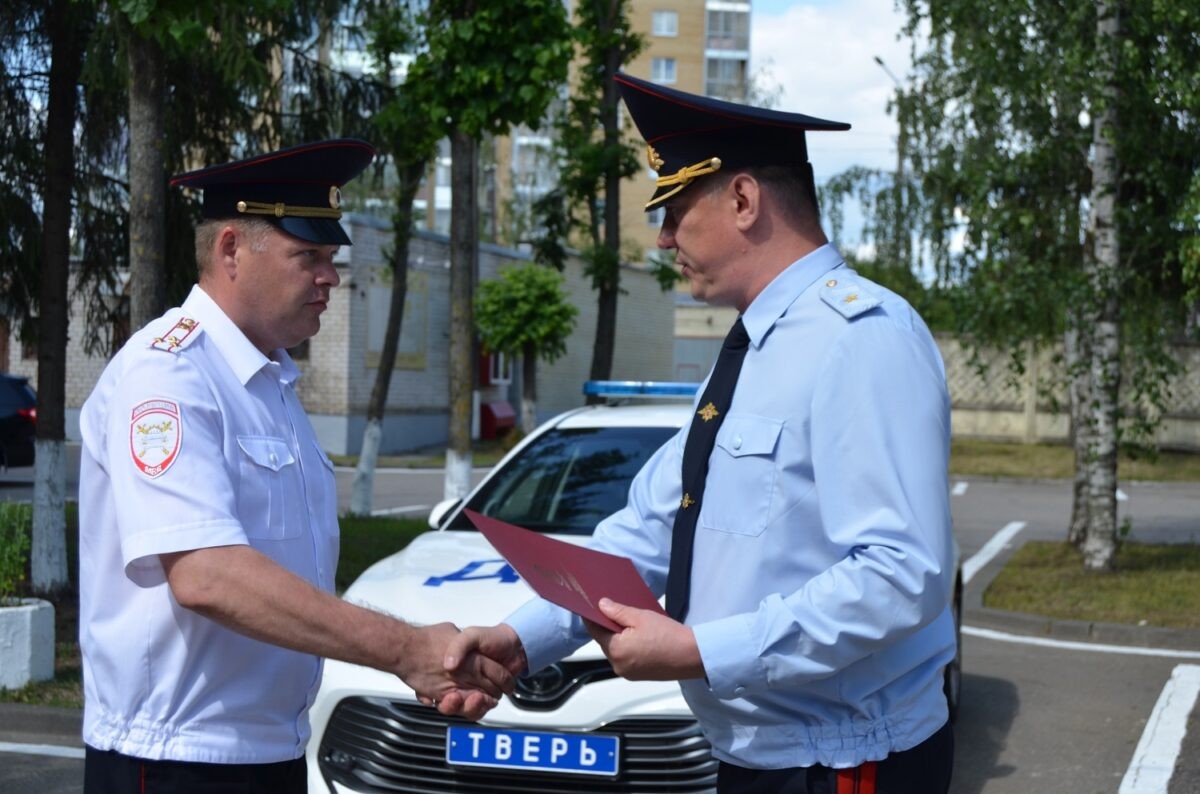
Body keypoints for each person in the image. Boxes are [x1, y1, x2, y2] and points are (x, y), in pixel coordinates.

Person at [442, 74, 957, 793]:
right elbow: (652, 531)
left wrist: (702, 651)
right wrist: (521, 640)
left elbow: (902, 574)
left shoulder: (862, 337)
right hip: (763, 758)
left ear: (743, 200)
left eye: (675, 210)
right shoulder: (756, 345)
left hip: (842, 763)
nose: (662, 238)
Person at [78, 139, 511, 793]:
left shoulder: (268, 382)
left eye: (331, 258)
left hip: (269, 751)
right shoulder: (168, 375)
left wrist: (428, 658)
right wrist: (408, 650)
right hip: (175, 760)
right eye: (308, 256)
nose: (330, 277)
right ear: (231, 250)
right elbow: (206, 575)